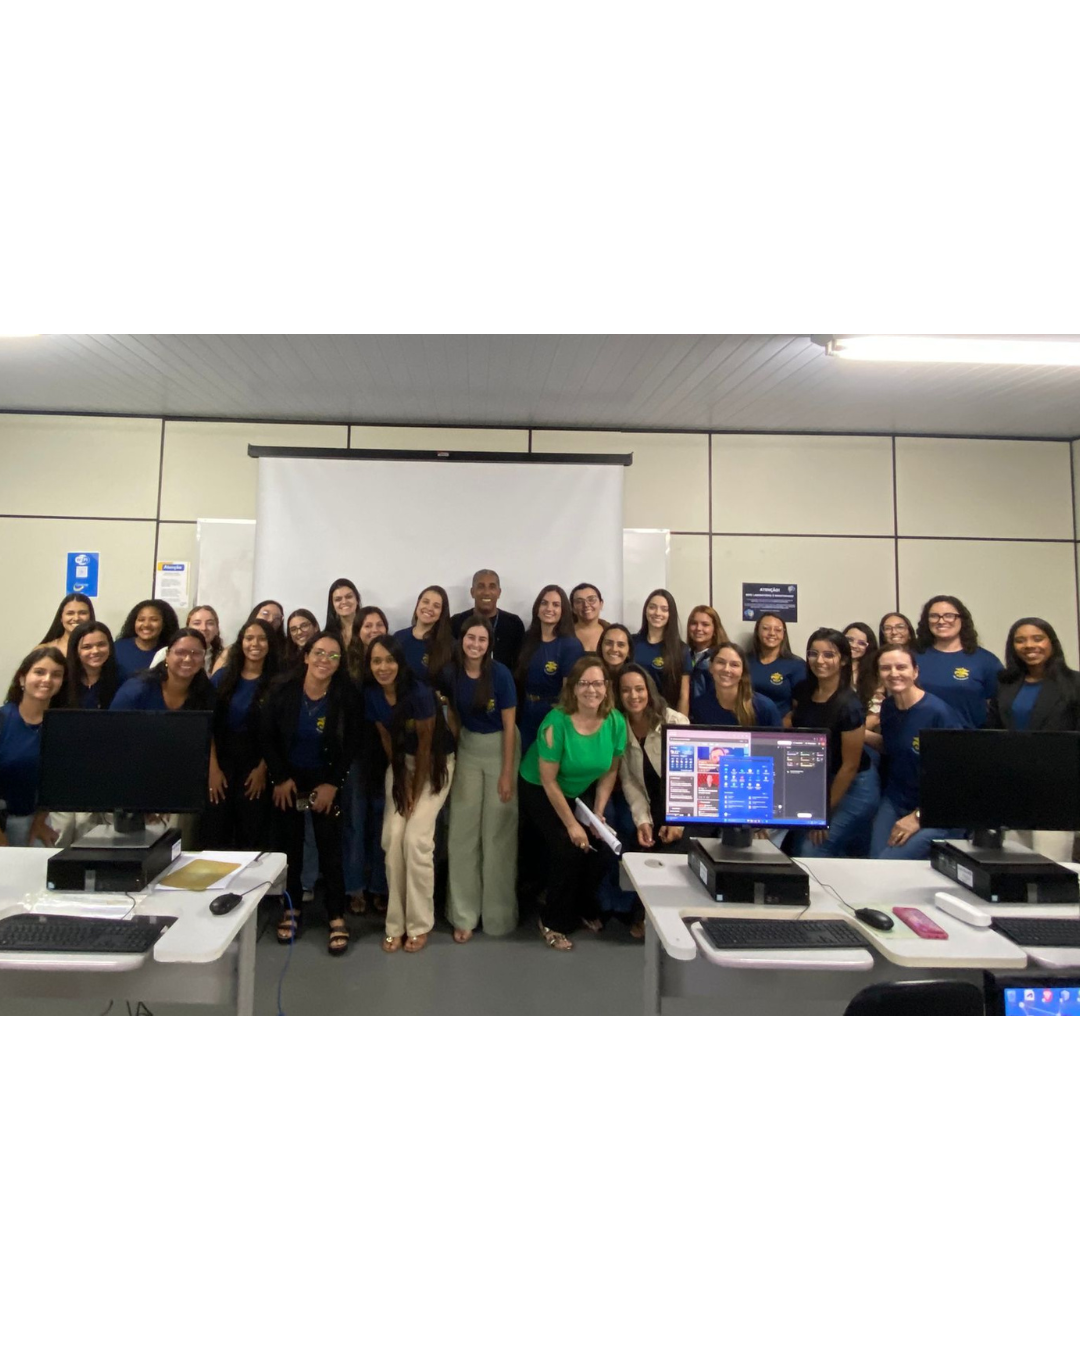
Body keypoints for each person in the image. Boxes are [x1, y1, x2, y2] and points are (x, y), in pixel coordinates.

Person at [518, 655, 626, 951]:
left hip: (579, 789)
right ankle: (551, 921)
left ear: (607, 687)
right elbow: (548, 780)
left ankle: (580, 907)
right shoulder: (556, 722)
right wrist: (572, 825)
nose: (592, 690)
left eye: (598, 683)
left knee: (601, 849)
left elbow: (611, 770)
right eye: (584, 683)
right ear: (573, 688)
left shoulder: (615, 721)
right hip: (540, 788)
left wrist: (598, 813)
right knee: (568, 848)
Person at [262, 630, 359, 956]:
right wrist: (280, 777)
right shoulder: (282, 691)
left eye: (333, 655)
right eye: (318, 652)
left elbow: (350, 745)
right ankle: (291, 909)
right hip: (288, 779)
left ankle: (336, 915)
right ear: (306, 656)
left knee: (331, 849)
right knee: (289, 848)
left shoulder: (346, 696)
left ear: (339, 663)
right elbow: (267, 736)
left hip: (326, 779)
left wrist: (333, 784)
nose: (324, 660)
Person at [364, 634, 455, 953]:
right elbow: (387, 741)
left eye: (389, 660)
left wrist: (414, 794)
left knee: (416, 839)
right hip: (402, 765)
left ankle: (419, 924)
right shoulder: (372, 694)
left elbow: (427, 747)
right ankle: (395, 924)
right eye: (376, 661)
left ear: (400, 662)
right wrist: (400, 782)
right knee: (392, 838)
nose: (383, 667)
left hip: (434, 765)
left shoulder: (419, 692)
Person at [441, 617, 519, 942]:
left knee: (498, 834)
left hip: (501, 747)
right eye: (470, 638)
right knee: (463, 832)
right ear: (462, 640)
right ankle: (463, 914)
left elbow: (509, 724)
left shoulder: (500, 674)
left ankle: (498, 915)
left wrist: (506, 774)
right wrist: (458, 750)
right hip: (469, 747)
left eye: (482, 639)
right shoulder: (451, 673)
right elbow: (453, 714)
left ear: (489, 644)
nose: (475, 644)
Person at [987, 617, 1080, 862]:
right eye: (1020, 640)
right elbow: (994, 734)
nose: (1029, 645)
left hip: (1056, 789)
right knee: (1014, 863)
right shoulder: (1005, 684)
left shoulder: (1075, 684)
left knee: (1051, 865)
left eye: (1037, 638)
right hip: (1013, 787)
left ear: (1051, 642)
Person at [785, 630, 879, 858]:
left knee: (810, 850)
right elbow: (794, 720)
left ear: (843, 660)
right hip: (817, 780)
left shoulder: (849, 706)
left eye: (829, 655)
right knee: (791, 845)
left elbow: (849, 766)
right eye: (813, 653)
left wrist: (823, 813)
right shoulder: (803, 690)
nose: (820, 661)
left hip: (853, 786)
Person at [869, 644, 965, 859]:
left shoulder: (939, 714)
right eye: (886, 668)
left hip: (938, 809)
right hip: (896, 799)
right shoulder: (888, 708)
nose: (894, 673)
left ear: (915, 671)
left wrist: (918, 816)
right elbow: (893, 746)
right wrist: (859, 735)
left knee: (888, 862)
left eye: (901, 667)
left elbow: (957, 777)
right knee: (874, 862)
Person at [615, 664, 688, 937]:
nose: (633, 696)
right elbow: (629, 782)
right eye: (626, 690)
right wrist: (643, 820)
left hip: (685, 806)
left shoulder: (675, 721)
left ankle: (660, 921)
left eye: (639, 689)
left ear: (649, 690)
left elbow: (690, 778)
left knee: (671, 852)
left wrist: (677, 820)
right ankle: (647, 917)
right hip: (651, 805)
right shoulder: (620, 727)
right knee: (642, 847)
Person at [203, 618, 279, 850]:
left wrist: (262, 770)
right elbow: (208, 725)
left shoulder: (278, 682)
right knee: (216, 831)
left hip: (257, 763)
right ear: (241, 642)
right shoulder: (222, 677)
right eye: (249, 638)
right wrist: (213, 769)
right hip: (221, 762)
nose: (255, 644)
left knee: (252, 832)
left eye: (262, 639)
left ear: (270, 644)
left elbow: (280, 732)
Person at [343, 604, 391, 917]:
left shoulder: (392, 663)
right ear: (358, 632)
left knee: (382, 821)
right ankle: (354, 887)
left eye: (379, 625)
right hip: (355, 754)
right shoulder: (347, 667)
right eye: (367, 626)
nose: (374, 630)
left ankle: (379, 887)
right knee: (355, 822)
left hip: (386, 754)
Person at [0, 646, 65, 847]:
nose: (47, 680)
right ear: (22, 679)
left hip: (40, 819)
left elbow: (57, 782)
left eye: (56, 675)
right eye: (39, 672)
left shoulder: (63, 726)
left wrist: (39, 820)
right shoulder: (3, 719)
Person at [914, 595, 1003, 729]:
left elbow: (999, 706)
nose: (941, 621)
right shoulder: (913, 657)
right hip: (918, 736)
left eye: (949, 616)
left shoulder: (985, 661)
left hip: (970, 737)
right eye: (934, 616)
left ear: (962, 619)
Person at [515, 585, 585, 754]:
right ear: (537, 608)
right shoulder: (528, 639)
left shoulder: (570, 645)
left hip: (553, 714)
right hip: (526, 713)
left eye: (556, 605)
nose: (549, 608)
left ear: (563, 611)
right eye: (544, 603)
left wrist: (557, 721)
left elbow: (570, 693)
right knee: (525, 763)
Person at [112, 627, 217, 712]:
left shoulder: (207, 694)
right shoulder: (136, 690)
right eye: (180, 652)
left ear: (203, 660)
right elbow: (113, 726)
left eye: (196, 653)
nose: (188, 659)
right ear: (167, 655)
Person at [690, 642, 782, 727]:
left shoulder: (764, 708)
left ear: (743, 672)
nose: (726, 669)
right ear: (711, 667)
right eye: (720, 662)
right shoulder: (700, 706)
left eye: (734, 665)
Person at [449, 569, 526, 670]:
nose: (486, 592)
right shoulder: (456, 622)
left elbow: (520, 665)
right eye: (481, 586)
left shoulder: (514, 624)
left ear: (499, 592)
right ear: (472, 592)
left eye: (492, 587)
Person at [632, 588, 690, 714]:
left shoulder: (681, 650)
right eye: (652, 607)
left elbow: (684, 696)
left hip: (664, 716)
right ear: (646, 610)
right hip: (633, 715)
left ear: (671, 614)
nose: (657, 613)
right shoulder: (631, 642)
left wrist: (681, 723)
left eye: (664, 609)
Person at [747, 612, 806, 719]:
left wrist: (781, 726)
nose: (772, 633)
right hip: (746, 723)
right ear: (757, 632)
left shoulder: (796, 665)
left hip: (780, 725)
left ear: (784, 634)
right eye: (766, 628)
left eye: (778, 630)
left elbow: (800, 707)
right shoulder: (744, 661)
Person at [394, 585, 455, 682]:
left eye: (436, 606)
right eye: (426, 602)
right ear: (418, 603)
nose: (429, 608)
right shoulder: (398, 637)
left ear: (442, 613)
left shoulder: (449, 645)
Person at [150, 604, 229, 674]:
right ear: (188, 628)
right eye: (197, 623)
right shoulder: (165, 653)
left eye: (210, 623)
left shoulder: (224, 657)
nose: (203, 628)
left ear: (217, 629)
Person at [113, 599, 179, 682]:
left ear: (164, 623)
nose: (146, 625)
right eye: (141, 619)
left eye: (154, 620)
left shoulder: (170, 652)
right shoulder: (117, 648)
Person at [686, 605, 728, 722]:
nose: (698, 628)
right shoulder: (685, 655)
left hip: (712, 720)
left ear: (715, 629)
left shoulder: (721, 658)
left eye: (705, 625)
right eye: (694, 623)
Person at [65, 621, 120, 709]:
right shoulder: (63, 678)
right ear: (75, 650)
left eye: (101, 645)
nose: (95, 651)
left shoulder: (121, 678)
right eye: (87, 647)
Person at [324, 577, 365, 679]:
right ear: (333, 605)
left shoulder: (368, 629)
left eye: (349, 597)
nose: (344, 602)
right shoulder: (327, 635)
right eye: (338, 599)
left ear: (357, 599)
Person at [40, 593, 95, 659]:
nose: (76, 618)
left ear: (90, 616)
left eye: (82, 613)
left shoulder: (98, 650)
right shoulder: (44, 650)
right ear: (61, 617)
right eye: (70, 613)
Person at [843, 621, 880, 711]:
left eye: (861, 643)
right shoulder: (830, 666)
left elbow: (875, 711)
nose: (854, 645)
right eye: (849, 639)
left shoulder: (875, 673)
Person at [570, 582, 608, 652]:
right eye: (579, 601)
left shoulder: (611, 632)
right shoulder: (564, 634)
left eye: (591, 600)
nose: (586, 605)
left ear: (601, 604)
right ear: (573, 608)